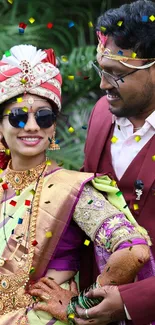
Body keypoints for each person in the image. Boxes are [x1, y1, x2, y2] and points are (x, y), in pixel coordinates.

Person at [0, 43, 151, 325]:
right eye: (19, 117)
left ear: (53, 127)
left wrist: (81, 304)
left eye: (43, 117)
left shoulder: (74, 190)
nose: (32, 126)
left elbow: (135, 250)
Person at [75, 0, 155, 324]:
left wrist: (129, 302)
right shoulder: (100, 114)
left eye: (117, 74)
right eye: (101, 69)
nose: (103, 84)